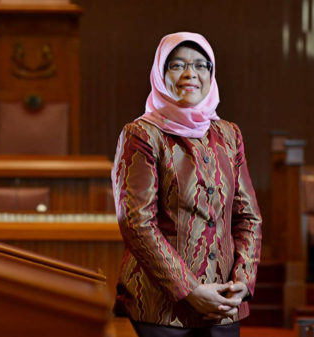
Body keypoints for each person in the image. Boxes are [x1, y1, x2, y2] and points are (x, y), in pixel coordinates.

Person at [111, 32, 262, 336]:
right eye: (177, 65)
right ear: (160, 73)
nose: (190, 74)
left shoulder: (229, 135)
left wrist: (241, 284)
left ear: (211, 74)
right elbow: (137, 223)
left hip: (223, 307)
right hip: (160, 310)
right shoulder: (142, 134)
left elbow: (248, 218)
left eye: (200, 65)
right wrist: (190, 290)